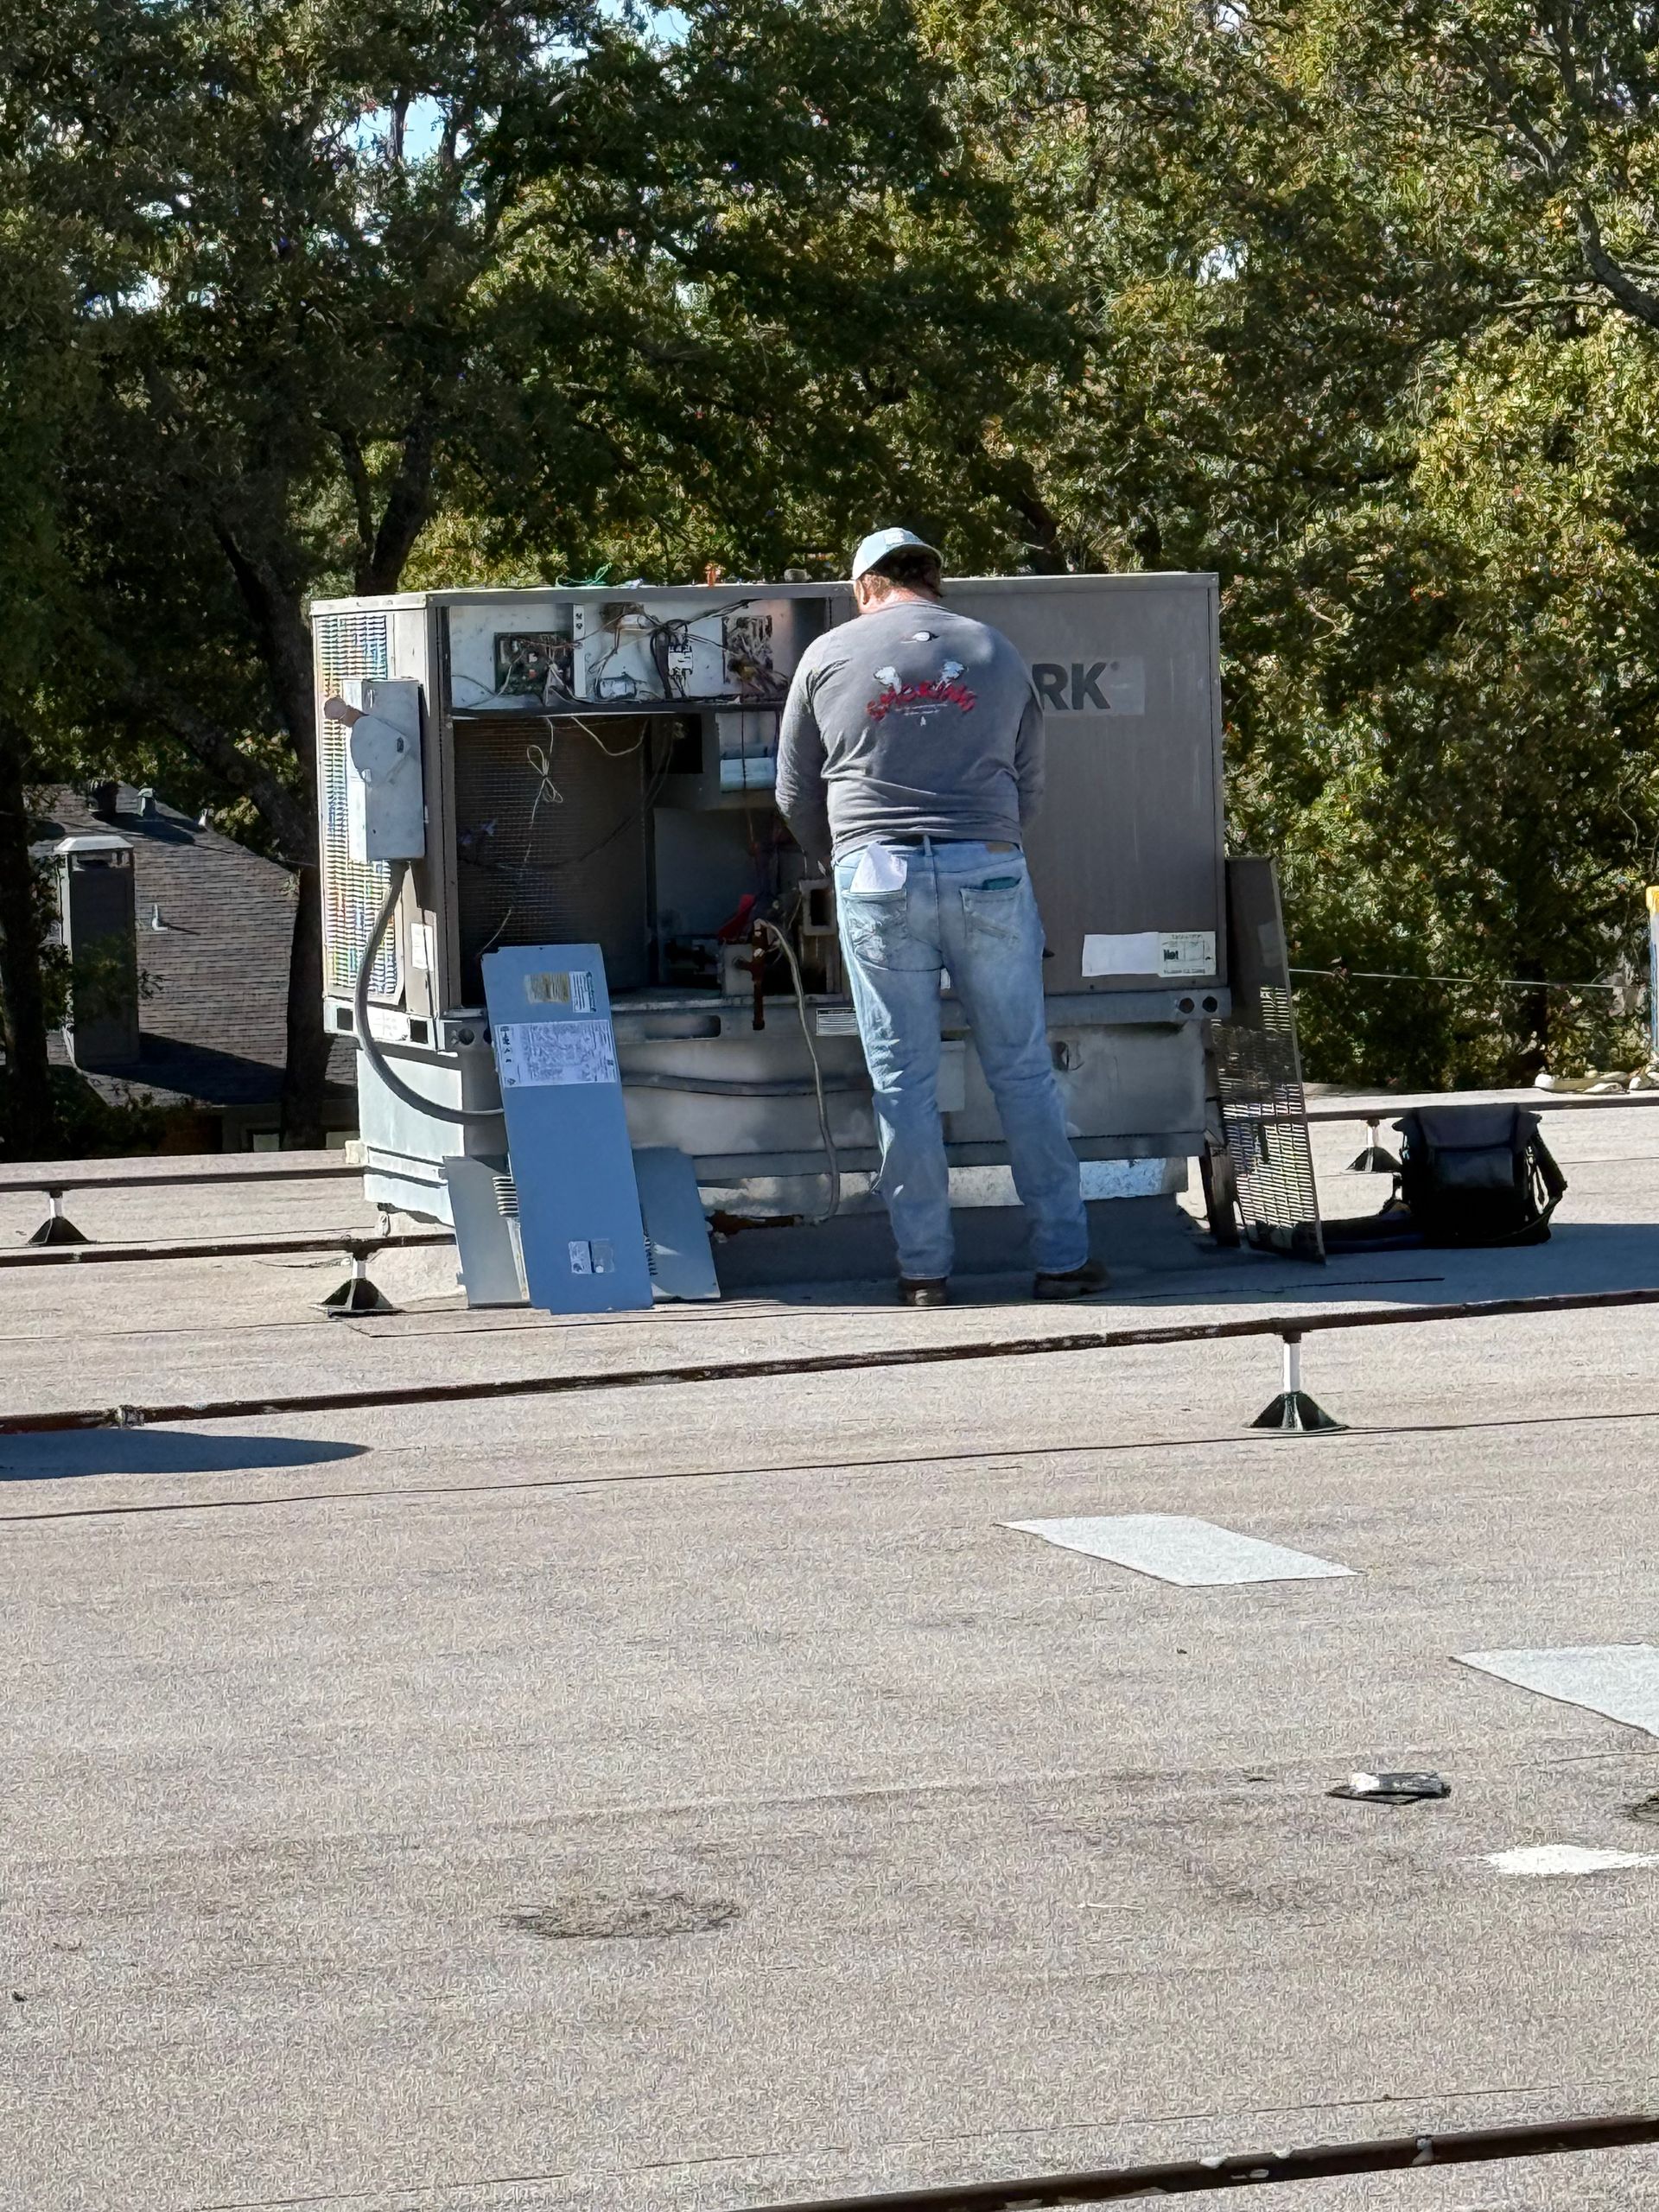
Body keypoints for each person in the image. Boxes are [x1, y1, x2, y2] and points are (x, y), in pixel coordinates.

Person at [775, 527, 1103, 1308]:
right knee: (1022, 1069)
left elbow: (793, 794)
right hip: (986, 862)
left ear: (865, 588)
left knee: (902, 1080)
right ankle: (1064, 1261)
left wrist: (844, 859)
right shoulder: (996, 652)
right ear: (933, 580)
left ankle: (924, 1271)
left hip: (875, 873)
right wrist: (986, 846)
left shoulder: (826, 657)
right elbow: (1031, 785)